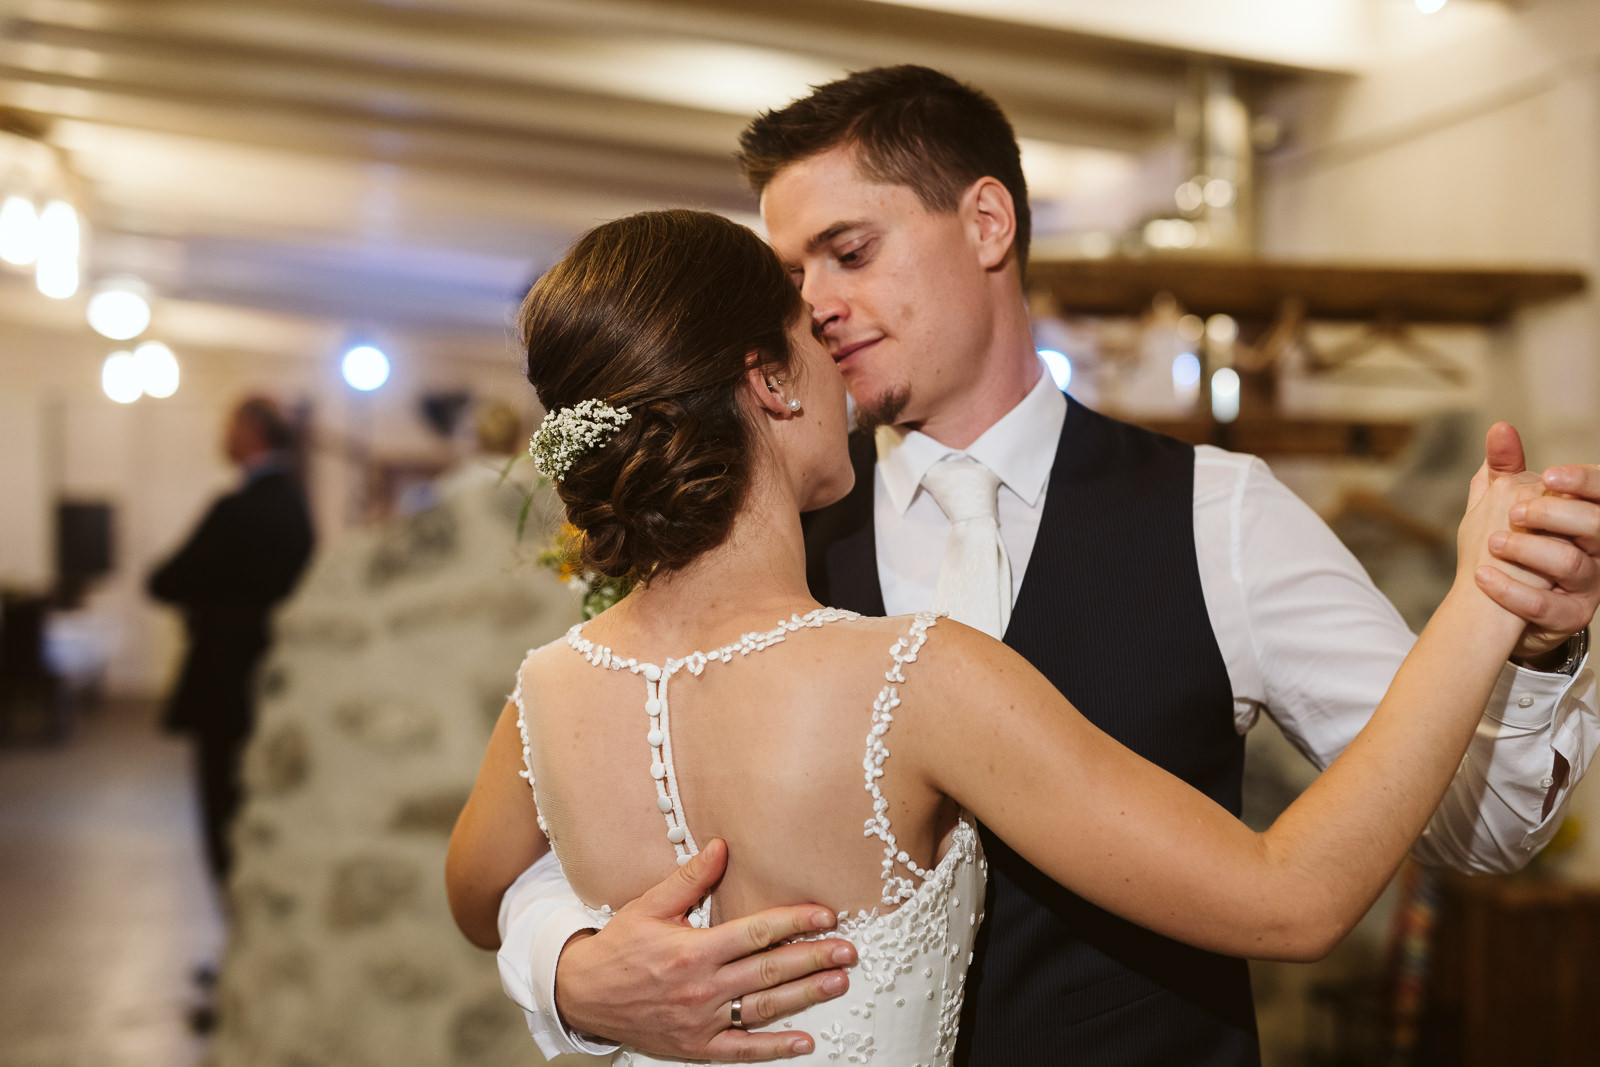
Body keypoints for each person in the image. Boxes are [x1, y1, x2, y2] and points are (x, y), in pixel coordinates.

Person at [485, 68, 1600, 1066]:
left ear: (987, 221)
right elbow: (548, 834)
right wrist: (571, 972)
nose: (816, 303)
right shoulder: (748, 518)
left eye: (850, 251)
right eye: (790, 276)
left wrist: (1533, 642)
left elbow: (1473, 822)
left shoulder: (1218, 512)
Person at [150, 396, 315, 883]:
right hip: (275, 679)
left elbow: (165, 580)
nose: (222, 435)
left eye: (230, 424)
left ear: (252, 431)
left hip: (224, 681)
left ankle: (234, 917)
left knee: (223, 811)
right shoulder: (295, 504)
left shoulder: (238, 508)